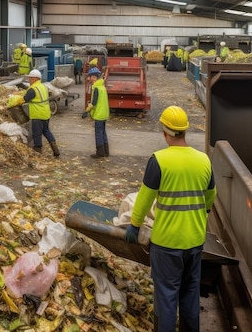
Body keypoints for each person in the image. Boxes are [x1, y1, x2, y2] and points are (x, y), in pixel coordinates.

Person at [124, 106, 216, 332]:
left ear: (165, 132)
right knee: (190, 295)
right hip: (194, 242)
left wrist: (134, 226)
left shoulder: (159, 160)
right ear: (185, 131)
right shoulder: (203, 160)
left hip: (166, 245)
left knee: (166, 299)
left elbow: (145, 199)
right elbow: (210, 196)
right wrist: (201, 214)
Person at [23, 69, 60, 157]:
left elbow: (25, 99)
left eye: (31, 78)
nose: (29, 80)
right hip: (46, 113)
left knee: (37, 133)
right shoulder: (43, 86)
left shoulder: (33, 89)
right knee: (46, 131)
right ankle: (56, 149)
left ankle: (37, 151)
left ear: (35, 79)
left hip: (37, 114)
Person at [81, 67, 109, 158]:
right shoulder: (102, 87)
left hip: (99, 114)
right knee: (103, 132)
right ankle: (106, 152)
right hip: (104, 113)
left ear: (95, 77)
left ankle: (100, 153)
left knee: (98, 133)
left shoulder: (97, 88)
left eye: (91, 77)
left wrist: (86, 111)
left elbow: (94, 102)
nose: (90, 79)